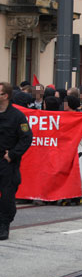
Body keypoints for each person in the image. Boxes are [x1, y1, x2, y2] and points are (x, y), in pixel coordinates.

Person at [0, 82, 33, 240]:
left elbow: (26, 138)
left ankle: (4, 224)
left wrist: (13, 154)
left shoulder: (17, 116)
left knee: (7, 195)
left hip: (7, 162)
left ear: (5, 96)